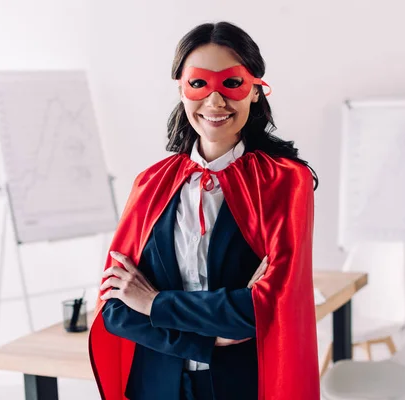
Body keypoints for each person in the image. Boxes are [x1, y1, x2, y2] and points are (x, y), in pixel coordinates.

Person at [88, 21, 320, 400]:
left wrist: (153, 303)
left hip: (241, 386)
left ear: (256, 91)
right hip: (156, 387)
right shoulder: (151, 183)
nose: (214, 102)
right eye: (199, 84)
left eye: (231, 84)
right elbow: (115, 310)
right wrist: (211, 339)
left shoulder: (283, 182)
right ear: (181, 89)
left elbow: (261, 311)